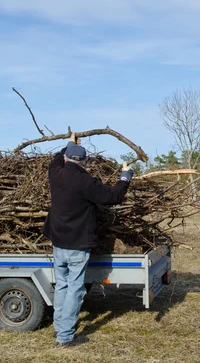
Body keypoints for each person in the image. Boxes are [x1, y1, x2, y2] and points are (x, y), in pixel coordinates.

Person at [41, 134, 133, 348]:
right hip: (77, 244)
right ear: (84, 162)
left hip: (58, 241)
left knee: (62, 285)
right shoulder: (85, 182)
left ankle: (59, 327)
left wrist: (70, 144)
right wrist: (125, 177)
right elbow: (113, 196)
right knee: (74, 288)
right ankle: (64, 336)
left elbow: (55, 159)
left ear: (66, 159)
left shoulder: (56, 173)